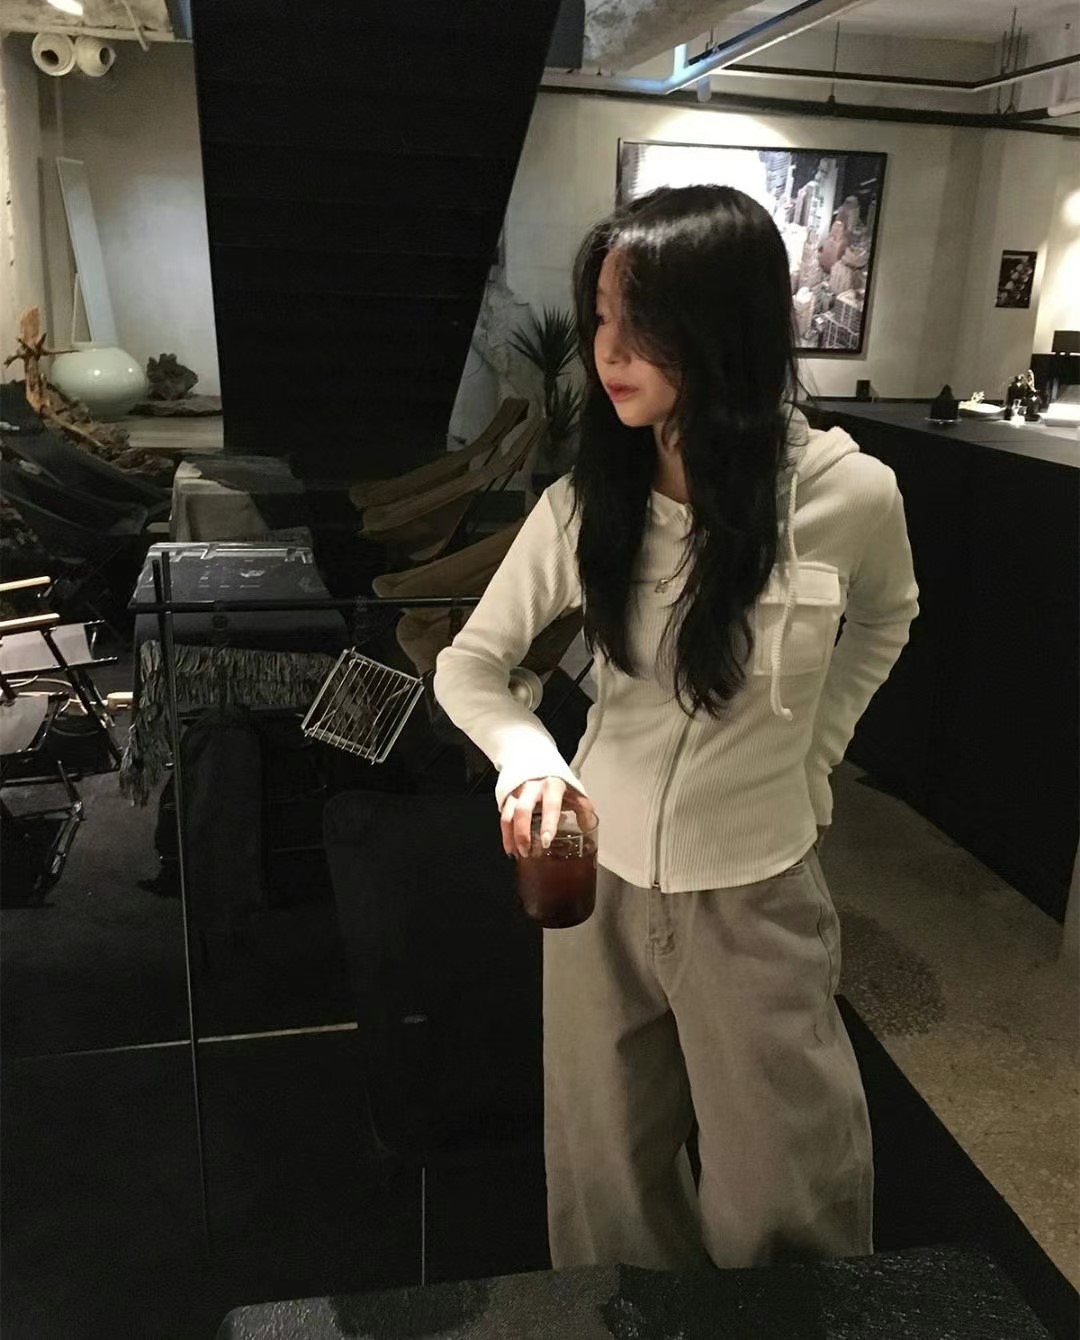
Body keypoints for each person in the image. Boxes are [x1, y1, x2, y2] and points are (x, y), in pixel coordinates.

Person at [433, 184, 918, 1271]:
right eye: (601, 316)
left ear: (724, 325)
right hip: (599, 885)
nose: (608, 351)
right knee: (609, 1190)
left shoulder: (851, 495)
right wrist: (529, 759)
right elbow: (471, 664)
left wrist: (818, 752)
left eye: (641, 321)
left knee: (786, 1201)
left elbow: (891, 616)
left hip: (757, 892)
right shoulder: (584, 503)